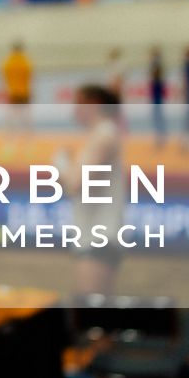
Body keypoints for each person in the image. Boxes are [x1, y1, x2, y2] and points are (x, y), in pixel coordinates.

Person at [69, 85, 125, 296]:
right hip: (97, 236)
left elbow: (76, 182)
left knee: (92, 315)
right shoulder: (101, 135)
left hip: (99, 238)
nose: (73, 110)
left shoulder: (104, 135)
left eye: (78, 103)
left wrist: (61, 164)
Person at [2, 40, 34, 144]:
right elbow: (30, 76)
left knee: (11, 116)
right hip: (24, 92)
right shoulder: (26, 61)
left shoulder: (8, 62)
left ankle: (10, 138)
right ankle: (28, 138)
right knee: (26, 117)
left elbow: (4, 76)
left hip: (13, 92)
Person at [148, 48, 167, 145]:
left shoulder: (158, 82)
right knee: (157, 118)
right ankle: (160, 136)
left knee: (158, 117)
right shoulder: (157, 82)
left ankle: (161, 137)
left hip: (157, 100)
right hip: (156, 99)